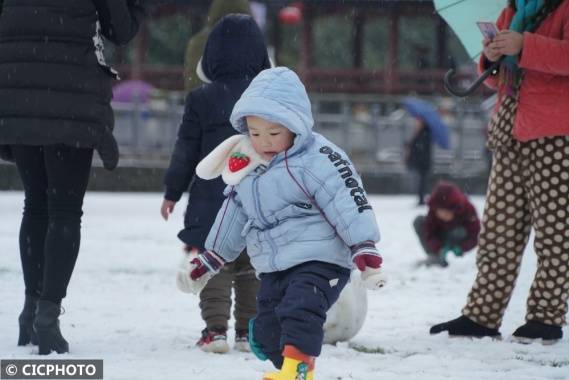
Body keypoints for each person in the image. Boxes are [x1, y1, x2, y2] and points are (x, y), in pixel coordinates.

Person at [183, 67, 385, 380]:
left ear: (295, 125)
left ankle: (299, 370)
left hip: (321, 260)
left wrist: (364, 248)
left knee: (300, 310)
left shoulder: (319, 157)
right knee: (267, 331)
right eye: (254, 132)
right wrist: (211, 258)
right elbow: (233, 212)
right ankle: (287, 361)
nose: (263, 141)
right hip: (275, 265)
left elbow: (347, 199)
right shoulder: (248, 164)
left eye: (274, 133)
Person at [0, 0, 142, 354]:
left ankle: (30, 311)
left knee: (35, 204)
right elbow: (121, 30)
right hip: (71, 96)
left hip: (18, 92)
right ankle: (48, 316)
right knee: (64, 210)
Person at [430, 0, 569, 344]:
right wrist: (492, 56)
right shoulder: (514, 9)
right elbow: (497, 80)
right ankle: (482, 314)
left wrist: (526, 45)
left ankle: (545, 317)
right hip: (509, 127)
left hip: (556, 131)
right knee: (498, 230)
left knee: (555, 233)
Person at [161, 14, 271, 353]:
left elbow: (186, 150)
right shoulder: (267, 98)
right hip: (260, 198)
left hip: (212, 199)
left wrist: (172, 191)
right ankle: (246, 331)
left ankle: (215, 330)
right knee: (253, 266)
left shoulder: (201, 99)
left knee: (215, 264)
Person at [413, 181, 480, 267]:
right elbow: (428, 232)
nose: (443, 216)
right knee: (419, 221)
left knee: (459, 231)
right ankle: (436, 256)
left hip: (458, 237)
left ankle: (449, 253)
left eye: (446, 213)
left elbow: (475, 235)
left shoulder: (468, 209)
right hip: (441, 235)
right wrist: (437, 247)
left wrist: (462, 248)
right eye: (440, 212)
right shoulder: (433, 210)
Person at [405, 118, 432, 205]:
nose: (416, 124)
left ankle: (421, 198)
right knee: (421, 181)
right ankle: (421, 198)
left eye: (419, 122)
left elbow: (420, 147)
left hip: (423, 161)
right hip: (421, 161)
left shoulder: (425, 133)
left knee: (422, 181)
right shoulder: (420, 132)